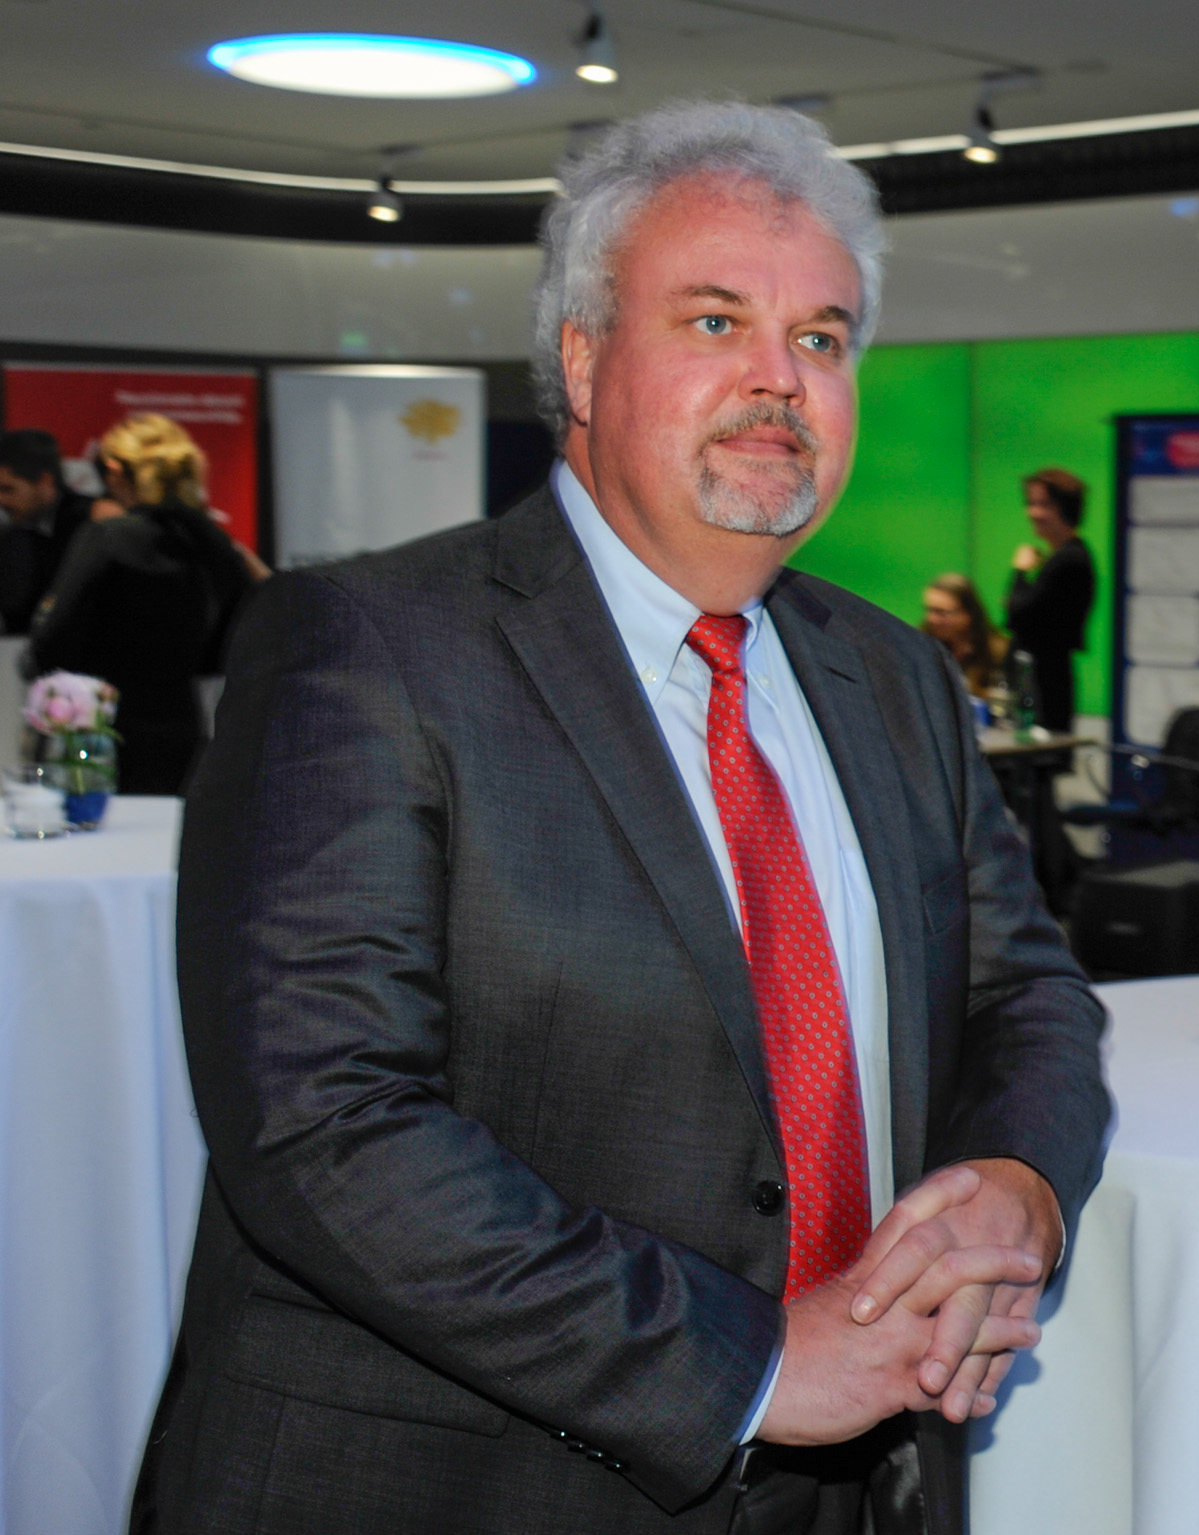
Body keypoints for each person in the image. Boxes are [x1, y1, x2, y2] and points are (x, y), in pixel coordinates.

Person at [135, 101, 1111, 1535]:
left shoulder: (893, 674)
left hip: (864, 1483)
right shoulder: (365, 646)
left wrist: (1021, 1182)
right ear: (583, 360)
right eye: (716, 322)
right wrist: (749, 1362)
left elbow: (1027, 993)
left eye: (822, 336)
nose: (779, 378)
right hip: (466, 1488)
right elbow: (326, 1120)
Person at [25, 413, 255, 793]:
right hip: (184, 735)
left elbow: (52, 639)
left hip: (99, 737)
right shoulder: (215, 543)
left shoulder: (107, 539)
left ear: (115, 471)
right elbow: (236, 640)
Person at [1004, 467, 1094, 732]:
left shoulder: (1069, 560)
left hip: (1044, 688)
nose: (1032, 512)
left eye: (1044, 505)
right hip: (1042, 683)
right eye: (1031, 503)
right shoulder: (1063, 557)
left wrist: (1019, 572)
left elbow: (1017, 614)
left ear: (1066, 508)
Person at [0, 427, 101, 634]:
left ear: (45, 481)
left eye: (8, 489)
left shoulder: (93, 524)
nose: (2, 501)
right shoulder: (12, 532)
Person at [919, 572, 1007, 698]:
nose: (932, 619)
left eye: (941, 612)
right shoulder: (920, 643)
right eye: (929, 610)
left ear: (967, 615)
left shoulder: (996, 650)